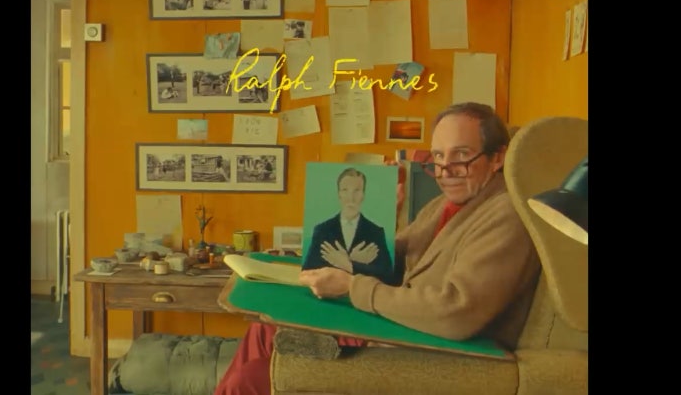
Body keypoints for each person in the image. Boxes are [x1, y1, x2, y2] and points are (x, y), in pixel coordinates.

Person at [214, 102, 542, 395]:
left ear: (497, 158)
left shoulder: (506, 214)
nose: (445, 171)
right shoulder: (448, 203)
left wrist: (352, 287)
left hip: (435, 350)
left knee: (250, 378)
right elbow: (395, 257)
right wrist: (383, 215)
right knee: (264, 330)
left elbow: (456, 312)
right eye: (439, 157)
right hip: (400, 326)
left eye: (461, 155)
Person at [301, 167, 395, 285]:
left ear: (363, 195)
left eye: (357, 191)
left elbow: (388, 278)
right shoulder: (322, 230)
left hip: (362, 296)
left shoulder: (376, 232)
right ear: (339, 194)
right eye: (345, 190)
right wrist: (355, 262)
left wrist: (347, 264)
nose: (351, 198)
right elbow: (306, 275)